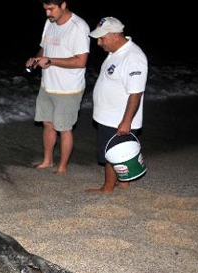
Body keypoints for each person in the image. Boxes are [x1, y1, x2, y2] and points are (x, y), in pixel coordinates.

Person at [84, 17, 148, 193]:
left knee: (111, 154)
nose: (98, 43)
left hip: (118, 118)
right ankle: (124, 183)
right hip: (109, 116)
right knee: (119, 153)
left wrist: (126, 121)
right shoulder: (116, 53)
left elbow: (136, 92)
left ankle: (107, 188)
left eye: (101, 38)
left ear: (114, 36)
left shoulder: (133, 57)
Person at [26, 0, 90, 174]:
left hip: (68, 89)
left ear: (63, 5)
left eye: (51, 9)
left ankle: (62, 167)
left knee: (64, 128)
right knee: (48, 124)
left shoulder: (78, 27)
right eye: (45, 9)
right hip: (48, 84)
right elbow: (44, 47)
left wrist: (52, 61)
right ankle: (48, 161)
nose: (47, 14)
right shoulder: (50, 22)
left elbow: (81, 61)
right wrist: (36, 59)